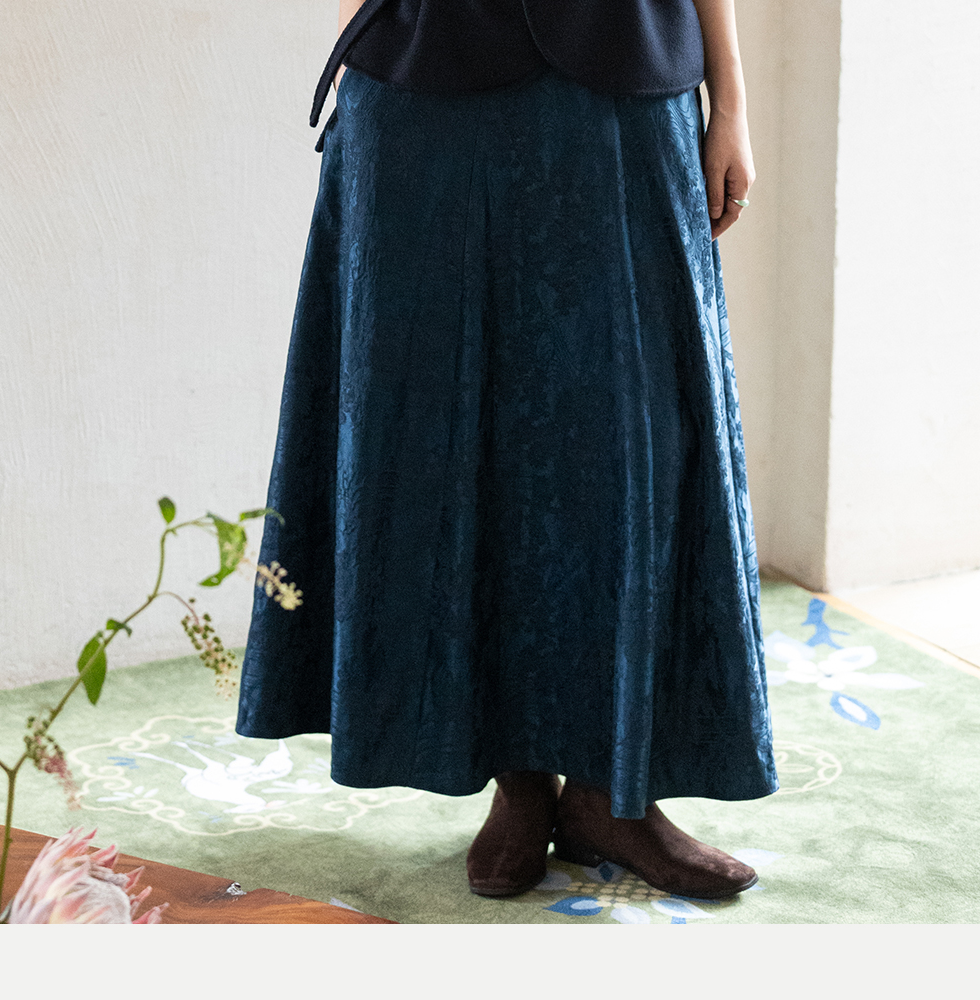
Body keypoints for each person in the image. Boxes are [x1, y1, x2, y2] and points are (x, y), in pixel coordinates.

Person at [237, 0, 778, 901]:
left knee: (638, 439)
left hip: (628, 77)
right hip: (424, 83)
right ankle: (515, 777)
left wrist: (732, 101)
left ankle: (610, 794)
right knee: (447, 432)